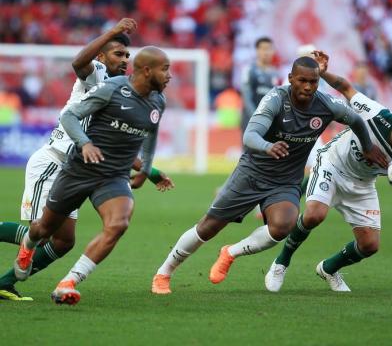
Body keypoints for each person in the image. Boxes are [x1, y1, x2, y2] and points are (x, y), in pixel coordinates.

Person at [151, 55, 388, 295]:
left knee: (282, 225)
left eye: (313, 82)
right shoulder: (276, 99)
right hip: (252, 173)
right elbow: (250, 136)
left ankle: (230, 253)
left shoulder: (326, 105)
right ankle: (164, 272)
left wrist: (368, 147)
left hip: (285, 181)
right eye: (302, 80)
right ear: (290, 79)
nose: (307, 87)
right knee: (208, 227)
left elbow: (356, 120)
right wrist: (267, 146)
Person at [0, 21, 173, 301]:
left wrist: (149, 170)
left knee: (64, 241)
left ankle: (7, 282)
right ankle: (18, 264)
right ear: (101, 57)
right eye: (118, 53)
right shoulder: (97, 76)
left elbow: (120, 141)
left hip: (93, 166)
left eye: (128, 55)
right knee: (44, 233)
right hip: (56, 162)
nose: (125, 59)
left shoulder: (135, 93)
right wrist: (112, 32)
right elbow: (79, 61)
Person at [265, 52, 390, 292]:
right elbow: (345, 87)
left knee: (370, 245)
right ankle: (281, 262)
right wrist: (321, 73)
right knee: (314, 215)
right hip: (334, 163)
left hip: (363, 183)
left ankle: (329, 268)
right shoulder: (379, 116)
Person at [240, 36, 280, 136]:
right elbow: (246, 98)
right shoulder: (249, 70)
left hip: (268, 121)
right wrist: (256, 118)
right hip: (251, 119)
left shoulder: (275, 73)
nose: (266, 52)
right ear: (257, 51)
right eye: (263, 49)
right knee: (249, 150)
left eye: (269, 49)